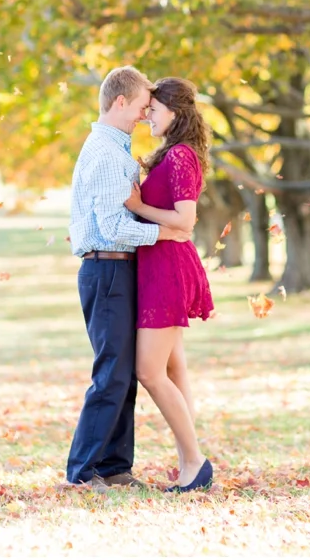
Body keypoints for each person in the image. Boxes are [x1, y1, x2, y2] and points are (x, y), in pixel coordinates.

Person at [64, 65, 195, 491]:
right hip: (107, 268)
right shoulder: (105, 153)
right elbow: (112, 226)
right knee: (112, 374)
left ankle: (115, 467)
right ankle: (83, 472)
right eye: (141, 106)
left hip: (120, 268)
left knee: (123, 374)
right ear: (120, 102)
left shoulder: (116, 149)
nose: (144, 114)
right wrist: (164, 233)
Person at [123, 76, 216, 491]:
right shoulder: (173, 153)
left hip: (168, 269)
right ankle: (188, 462)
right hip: (159, 264)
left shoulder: (180, 156)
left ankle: (195, 461)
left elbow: (185, 219)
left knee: (149, 370)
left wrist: (138, 206)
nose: (148, 118)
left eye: (154, 111)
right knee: (174, 368)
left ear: (175, 113)